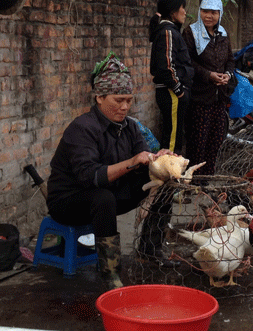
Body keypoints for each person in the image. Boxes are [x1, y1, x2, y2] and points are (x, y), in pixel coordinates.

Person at [46, 52, 177, 290]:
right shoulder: (82, 128)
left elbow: (144, 159)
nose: (125, 106)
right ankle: (111, 273)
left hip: (111, 192)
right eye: (118, 100)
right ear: (99, 97)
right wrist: (134, 161)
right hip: (69, 201)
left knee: (167, 184)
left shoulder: (130, 127)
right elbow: (90, 177)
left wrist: (160, 161)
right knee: (103, 198)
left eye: (128, 100)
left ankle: (150, 248)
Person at [182, 0, 235, 177]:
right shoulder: (190, 33)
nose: (209, 16)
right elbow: (187, 63)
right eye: (205, 11)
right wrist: (209, 75)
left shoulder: (223, 34)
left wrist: (227, 75)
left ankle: (207, 180)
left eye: (213, 12)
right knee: (198, 142)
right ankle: (193, 182)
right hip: (199, 97)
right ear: (200, 12)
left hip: (219, 98)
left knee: (216, 141)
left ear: (219, 13)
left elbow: (230, 60)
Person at [149, 0, 194, 155]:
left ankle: (168, 174)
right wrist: (179, 90)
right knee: (172, 141)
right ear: (173, 11)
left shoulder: (169, 31)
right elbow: (166, 66)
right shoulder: (167, 32)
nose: (185, 12)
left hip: (173, 93)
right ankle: (169, 175)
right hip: (171, 93)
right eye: (183, 8)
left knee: (172, 135)